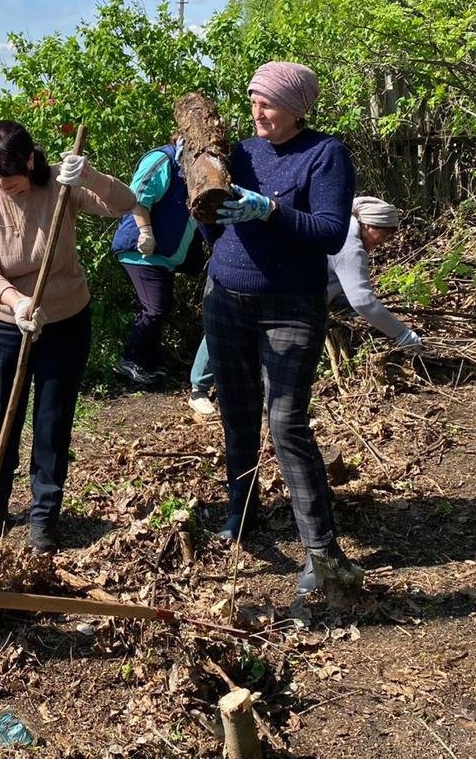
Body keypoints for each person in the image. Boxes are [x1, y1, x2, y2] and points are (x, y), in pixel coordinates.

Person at [201, 61, 364, 597]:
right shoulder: (242, 152)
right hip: (226, 298)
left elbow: (330, 232)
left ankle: (321, 550)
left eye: (268, 102)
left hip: (290, 306)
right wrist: (205, 200)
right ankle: (239, 515)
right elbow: (210, 216)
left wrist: (267, 210)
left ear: (297, 107)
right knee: (238, 415)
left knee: (287, 422)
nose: (257, 111)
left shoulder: (326, 155)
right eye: (253, 100)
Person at [0, 120, 135, 553]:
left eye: (12, 177)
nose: (4, 186)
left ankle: (44, 517)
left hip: (66, 321)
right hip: (7, 325)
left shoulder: (62, 186)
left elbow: (125, 204)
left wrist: (89, 175)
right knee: (2, 418)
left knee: (52, 421)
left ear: (30, 159)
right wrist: (17, 302)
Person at [110, 139, 218, 420]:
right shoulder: (163, 160)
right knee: (155, 307)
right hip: (141, 251)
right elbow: (137, 197)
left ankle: (146, 363)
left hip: (165, 256)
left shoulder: (199, 169)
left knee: (161, 307)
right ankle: (131, 360)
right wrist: (145, 231)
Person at [327, 196, 424, 351]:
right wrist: (402, 334)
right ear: (368, 225)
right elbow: (363, 301)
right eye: (384, 234)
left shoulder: (340, 227)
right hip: (292, 308)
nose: (383, 242)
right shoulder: (350, 245)